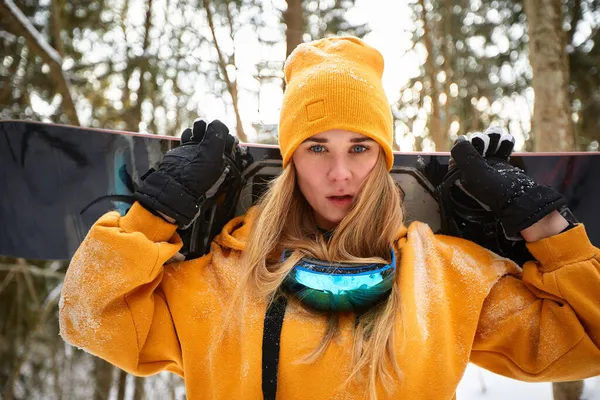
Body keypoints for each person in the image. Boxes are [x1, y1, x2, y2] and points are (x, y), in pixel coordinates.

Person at [58, 36, 600, 400]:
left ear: (385, 158)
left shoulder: (448, 277)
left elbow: (589, 342)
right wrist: (156, 212)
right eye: (317, 148)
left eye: (361, 147)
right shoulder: (223, 278)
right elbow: (90, 318)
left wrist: (543, 224)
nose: (340, 173)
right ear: (290, 160)